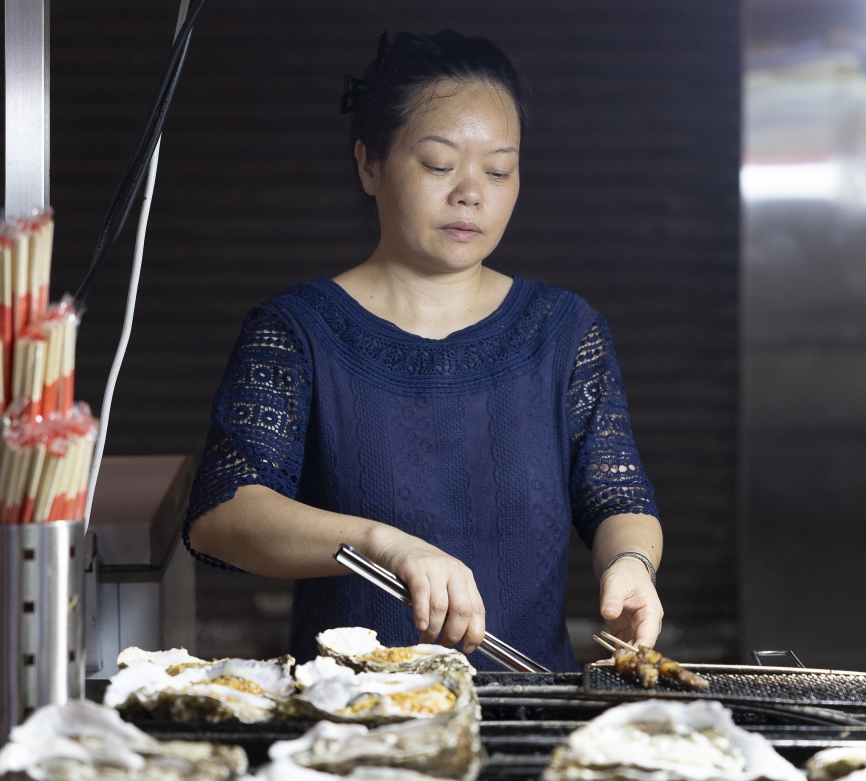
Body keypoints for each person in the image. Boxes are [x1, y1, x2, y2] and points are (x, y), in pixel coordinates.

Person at [184, 29, 662, 671]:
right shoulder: (296, 329)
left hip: (527, 717)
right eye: (439, 164)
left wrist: (631, 564)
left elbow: (618, 495)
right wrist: (381, 545)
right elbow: (224, 511)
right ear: (369, 165)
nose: (471, 192)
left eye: (498, 170)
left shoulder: (566, 331)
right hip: (344, 723)